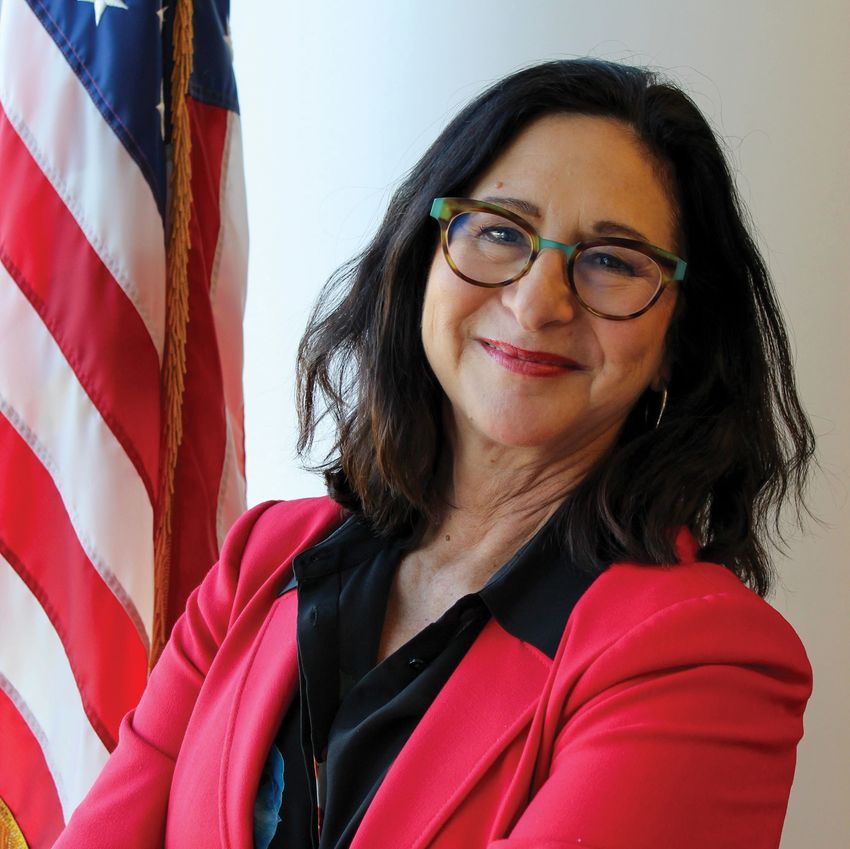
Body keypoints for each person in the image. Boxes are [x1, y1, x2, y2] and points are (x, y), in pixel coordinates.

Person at [53, 59, 815, 849]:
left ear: (675, 342)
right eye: (499, 231)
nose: (536, 301)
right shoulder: (263, 561)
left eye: (613, 260)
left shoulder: (705, 663)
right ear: (425, 260)